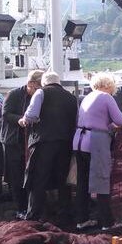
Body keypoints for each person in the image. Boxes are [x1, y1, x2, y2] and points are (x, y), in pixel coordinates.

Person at [19, 71, 77, 221]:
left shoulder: (40, 93)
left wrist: (23, 120)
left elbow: (31, 115)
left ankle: (34, 214)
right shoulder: (71, 97)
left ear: (44, 82)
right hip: (65, 143)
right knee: (62, 179)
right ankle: (65, 213)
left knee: (38, 177)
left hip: (43, 142)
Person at [73, 73, 122, 231]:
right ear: (108, 85)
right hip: (95, 142)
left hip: (79, 141)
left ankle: (82, 220)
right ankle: (107, 222)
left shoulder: (87, 97)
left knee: (82, 183)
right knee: (102, 181)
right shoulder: (106, 97)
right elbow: (121, 120)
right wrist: (111, 126)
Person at [0, 70, 43, 216]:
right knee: (16, 175)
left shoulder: (39, 96)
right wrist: (20, 120)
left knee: (29, 173)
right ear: (30, 84)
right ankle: (20, 207)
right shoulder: (14, 94)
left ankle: (29, 206)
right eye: (38, 88)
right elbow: (5, 114)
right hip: (13, 141)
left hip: (30, 141)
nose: (39, 92)